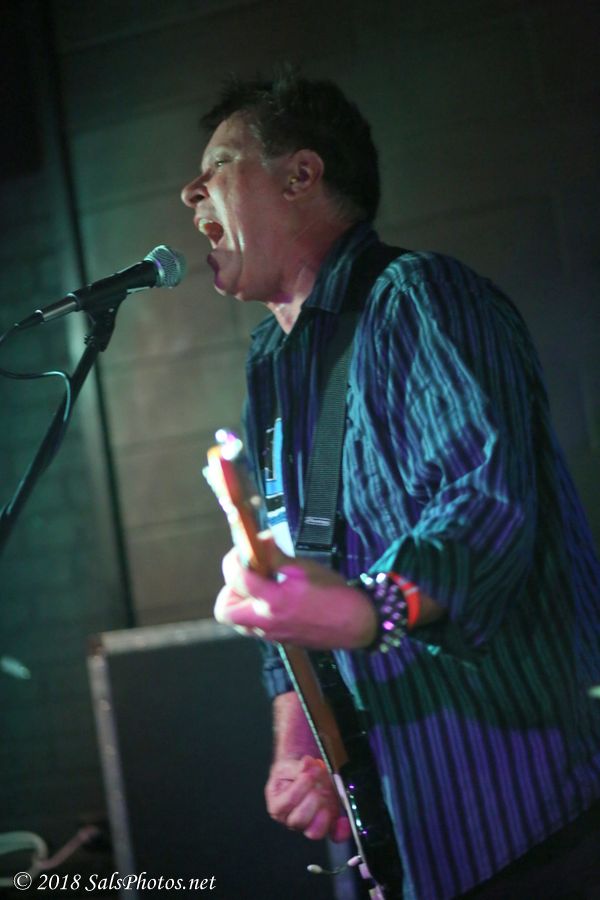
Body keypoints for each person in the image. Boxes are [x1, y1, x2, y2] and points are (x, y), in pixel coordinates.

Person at [180, 70, 600, 899]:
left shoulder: (419, 296)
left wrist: (367, 609)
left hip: (537, 811)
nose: (190, 192)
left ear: (302, 176)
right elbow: (293, 589)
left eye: (219, 166)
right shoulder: (269, 369)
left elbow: (486, 505)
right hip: (416, 839)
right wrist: (301, 745)